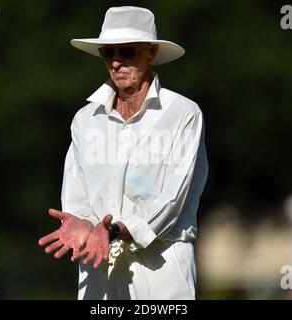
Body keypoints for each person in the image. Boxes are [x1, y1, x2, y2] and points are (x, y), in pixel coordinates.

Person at [38, 6, 208, 300]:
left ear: (151, 53)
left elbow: (172, 199)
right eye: (108, 53)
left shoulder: (182, 113)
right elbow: (76, 195)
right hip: (99, 265)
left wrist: (117, 230)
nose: (116, 62)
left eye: (127, 51)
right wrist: (83, 225)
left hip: (161, 264)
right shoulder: (84, 119)